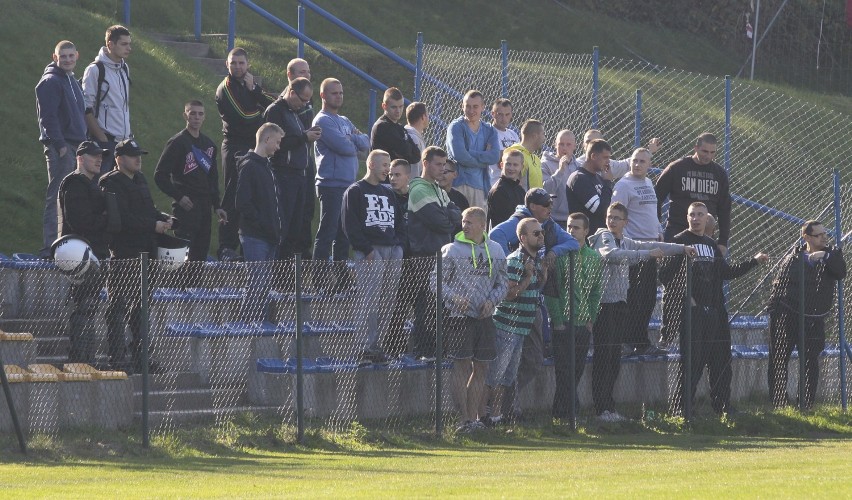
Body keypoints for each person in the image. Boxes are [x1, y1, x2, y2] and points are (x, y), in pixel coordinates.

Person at [588, 202, 694, 422]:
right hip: (603, 305)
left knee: (613, 359)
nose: (612, 221)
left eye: (617, 218)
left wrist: (681, 249)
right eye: (610, 217)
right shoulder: (603, 237)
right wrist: (647, 255)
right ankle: (600, 409)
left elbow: (657, 247)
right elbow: (611, 255)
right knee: (603, 357)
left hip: (619, 305)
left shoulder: (627, 241)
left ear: (626, 222)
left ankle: (609, 407)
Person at [659, 202, 767, 416]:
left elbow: (726, 272)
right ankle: (682, 411)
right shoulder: (679, 241)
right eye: (692, 214)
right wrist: (688, 298)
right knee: (693, 363)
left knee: (721, 360)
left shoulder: (710, 244)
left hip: (716, 310)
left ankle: (723, 407)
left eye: (700, 215)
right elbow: (665, 276)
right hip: (692, 313)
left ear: (707, 218)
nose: (696, 218)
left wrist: (753, 262)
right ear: (687, 217)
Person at [490, 188, 579, 419]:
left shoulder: (546, 227)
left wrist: (551, 253)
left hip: (531, 310)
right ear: (532, 207)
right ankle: (495, 413)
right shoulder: (516, 228)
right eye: (545, 204)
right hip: (510, 318)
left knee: (532, 361)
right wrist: (517, 263)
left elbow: (572, 243)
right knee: (500, 370)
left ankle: (508, 406)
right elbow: (494, 239)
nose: (550, 208)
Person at [99, 139, 173, 373]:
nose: (138, 159)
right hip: (124, 253)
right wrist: (154, 225)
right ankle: (118, 358)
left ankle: (142, 358)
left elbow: (148, 210)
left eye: (139, 154)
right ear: (118, 159)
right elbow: (122, 219)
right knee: (118, 307)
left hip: (146, 252)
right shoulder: (110, 182)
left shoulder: (140, 179)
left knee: (142, 309)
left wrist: (163, 219)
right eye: (132, 155)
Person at [437, 207, 508, 432]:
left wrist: (492, 301)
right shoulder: (450, 250)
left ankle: (474, 419)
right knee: (461, 367)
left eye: (469, 222)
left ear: (481, 225)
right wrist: (454, 298)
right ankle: (463, 420)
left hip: (485, 318)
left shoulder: (496, 250)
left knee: (482, 369)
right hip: (459, 317)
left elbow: (503, 283)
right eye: (463, 222)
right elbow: (435, 282)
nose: (464, 226)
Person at [767, 220, 846, 409]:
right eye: (819, 235)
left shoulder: (832, 254)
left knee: (810, 362)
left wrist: (824, 257)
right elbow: (782, 284)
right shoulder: (793, 258)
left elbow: (840, 271)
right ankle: (779, 403)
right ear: (807, 237)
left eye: (825, 234)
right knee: (778, 359)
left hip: (814, 319)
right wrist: (809, 260)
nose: (824, 238)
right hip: (787, 316)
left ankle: (805, 403)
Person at [342, 150, 404, 365]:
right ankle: (363, 348)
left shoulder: (388, 193)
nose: (388, 169)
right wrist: (367, 250)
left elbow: (398, 223)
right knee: (369, 301)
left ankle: (377, 347)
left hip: (391, 251)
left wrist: (398, 248)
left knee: (387, 301)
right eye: (384, 165)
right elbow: (350, 224)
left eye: (389, 164)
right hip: (370, 252)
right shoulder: (355, 191)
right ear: (371, 165)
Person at [215, 48, 276, 261]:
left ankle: (245, 245)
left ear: (248, 65)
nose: (238, 67)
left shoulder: (249, 86)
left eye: (241, 63)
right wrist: (262, 115)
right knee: (233, 194)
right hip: (234, 147)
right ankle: (226, 246)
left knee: (252, 196)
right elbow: (245, 116)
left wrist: (256, 91)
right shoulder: (225, 88)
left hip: (252, 148)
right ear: (227, 65)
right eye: (234, 63)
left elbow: (273, 106)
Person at [484, 218, 546, 425]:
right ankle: (481, 417)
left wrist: (541, 275)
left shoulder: (535, 260)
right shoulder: (516, 261)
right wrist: (528, 278)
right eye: (535, 233)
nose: (541, 236)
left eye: (541, 232)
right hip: (507, 326)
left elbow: (534, 288)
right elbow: (509, 294)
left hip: (520, 327)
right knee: (495, 376)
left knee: (507, 377)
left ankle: (497, 416)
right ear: (523, 238)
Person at [313, 78, 370, 291]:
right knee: (327, 232)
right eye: (334, 93)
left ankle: (342, 279)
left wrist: (353, 140)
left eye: (341, 92)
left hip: (348, 185)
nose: (339, 96)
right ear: (323, 96)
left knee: (343, 234)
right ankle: (319, 280)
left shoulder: (344, 120)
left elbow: (366, 143)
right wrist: (353, 141)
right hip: (331, 184)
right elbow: (345, 148)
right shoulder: (323, 120)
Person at [57, 141, 112, 364]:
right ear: (80, 158)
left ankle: (86, 357)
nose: (99, 159)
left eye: (100, 156)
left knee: (89, 306)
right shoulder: (75, 184)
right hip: (81, 254)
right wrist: (108, 218)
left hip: (91, 253)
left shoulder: (90, 184)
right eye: (93, 156)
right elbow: (80, 222)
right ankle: (82, 358)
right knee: (85, 306)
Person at [407, 146, 462, 360]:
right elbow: (441, 222)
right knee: (426, 303)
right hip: (425, 256)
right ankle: (424, 350)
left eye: (445, 165)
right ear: (425, 164)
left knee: (439, 303)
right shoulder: (419, 189)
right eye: (438, 165)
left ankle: (436, 349)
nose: (443, 169)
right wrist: (448, 217)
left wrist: (448, 216)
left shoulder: (438, 190)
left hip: (440, 255)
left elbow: (457, 216)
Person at [154, 100, 226, 262]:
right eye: (192, 113)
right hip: (186, 206)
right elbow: (160, 175)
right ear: (185, 115)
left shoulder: (209, 145)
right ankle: (180, 287)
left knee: (200, 253)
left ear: (205, 117)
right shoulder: (177, 142)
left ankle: (195, 287)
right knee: (182, 255)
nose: (196, 117)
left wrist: (217, 205)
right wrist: (179, 197)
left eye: (200, 114)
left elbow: (212, 178)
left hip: (205, 206)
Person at [612, 148, 666, 356]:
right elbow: (615, 214)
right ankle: (626, 341)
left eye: (642, 161)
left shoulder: (649, 183)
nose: (637, 164)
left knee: (648, 298)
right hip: (635, 248)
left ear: (649, 165)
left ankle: (641, 341)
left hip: (651, 247)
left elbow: (652, 212)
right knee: (633, 297)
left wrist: (659, 230)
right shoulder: (624, 185)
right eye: (634, 160)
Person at [36, 40, 88, 256]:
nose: (67, 59)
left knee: (70, 199)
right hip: (62, 146)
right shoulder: (50, 81)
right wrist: (60, 146)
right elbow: (47, 117)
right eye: (62, 56)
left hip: (76, 144)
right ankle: (50, 247)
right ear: (55, 57)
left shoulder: (72, 81)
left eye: (70, 55)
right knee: (56, 196)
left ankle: (67, 247)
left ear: (77, 55)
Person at [550, 213, 602, 420]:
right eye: (569, 227)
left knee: (576, 371)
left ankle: (562, 414)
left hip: (583, 323)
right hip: (563, 322)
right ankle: (568, 413)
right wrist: (557, 320)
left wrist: (591, 318)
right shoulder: (561, 255)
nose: (571, 231)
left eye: (576, 228)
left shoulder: (594, 257)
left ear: (586, 231)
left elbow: (596, 291)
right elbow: (552, 290)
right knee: (564, 371)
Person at [263, 77, 322, 258]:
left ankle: (286, 275)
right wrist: (304, 137)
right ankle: (276, 274)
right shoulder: (275, 111)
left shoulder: (296, 112)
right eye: (303, 99)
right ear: (291, 92)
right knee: (284, 225)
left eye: (308, 100)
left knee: (296, 227)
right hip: (283, 174)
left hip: (299, 174)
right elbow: (275, 144)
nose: (305, 104)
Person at [235, 123, 285, 322]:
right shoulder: (250, 167)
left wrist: (277, 229)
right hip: (255, 236)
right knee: (257, 282)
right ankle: (248, 327)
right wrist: (263, 225)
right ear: (267, 140)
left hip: (269, 235)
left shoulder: (268, 168)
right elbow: (243, 203)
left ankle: (257, 327)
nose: (278, 147)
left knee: (263, 285)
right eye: (277, 142)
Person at [655, 132, 731, 254]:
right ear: (695, 148)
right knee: (670, 269)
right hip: (677, 229)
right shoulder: (677, 168)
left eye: (713, 153)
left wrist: (722, 242)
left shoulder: (719, 174)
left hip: (705, 233)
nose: (708, 156)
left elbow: (725, 209)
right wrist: (656, 228)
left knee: (704, 271)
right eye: (705, 151)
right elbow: (656, 197)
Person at [82, 25, 133, 174]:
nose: (129, 48)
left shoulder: (124, 68)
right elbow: (86, 108)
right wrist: (102, 139)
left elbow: (123, 106)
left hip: (123, 141)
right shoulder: (95, 70)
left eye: (129, 44)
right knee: (100, 186)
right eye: (124, 44)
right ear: (110, 44)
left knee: (119, 189)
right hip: (105, 141)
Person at [445, 90, 500, 210]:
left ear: (483, 107)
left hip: (481, 187)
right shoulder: (456, 127)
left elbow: (495, 156)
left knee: (478, 226)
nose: (471, 111)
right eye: (468, 106)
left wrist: (469, 151)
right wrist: (483, 159)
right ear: (462, 106)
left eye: (475, 107)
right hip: (458, 184)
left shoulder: (489, 130)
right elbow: (460, 156)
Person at [287, 57, 317, 260]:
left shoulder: (308, 101)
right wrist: (304, 136)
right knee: (291, 210)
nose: (305, 76)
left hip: (306, 161)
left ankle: (303, 248)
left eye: (307, 72)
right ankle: (289, 251)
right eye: (301, 72)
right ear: (290, 76)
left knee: (307, 207)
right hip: (289, 167)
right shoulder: (282, 106)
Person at [385, 159, 415, 356]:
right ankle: (390, 344)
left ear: (407, 176)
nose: (393, 179)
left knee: (408, 303)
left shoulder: (416, 197)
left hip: (414, 257)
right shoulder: (385, 196)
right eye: (390, 175)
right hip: (391, 257)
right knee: (392, 303)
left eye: (397, 174)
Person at [567, 139, 613, 234]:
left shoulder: (599, 178)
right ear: (593, 156)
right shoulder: (579, 179)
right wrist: (608, 182)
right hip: (585, 240)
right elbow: (600, 210)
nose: (608, 162)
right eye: (605, 157)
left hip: (599, 237)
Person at [574, 129, 661, 180]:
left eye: (596, 141)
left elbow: (627, 164)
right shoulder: (575, 164)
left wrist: (649, 151)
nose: (592, 145)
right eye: (588, 141)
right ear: (583, 145)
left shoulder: (608, 164)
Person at [370, 87, 420, 164]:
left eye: (401, 106)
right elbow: (405, 151)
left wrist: (405, 149)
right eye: (394, 107)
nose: (398, 111)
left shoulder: (400, 127)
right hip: (385, 174)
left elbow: (416, 156)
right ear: (384, 106)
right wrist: (407, 145)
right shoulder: (382, 126)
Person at [541, 129, 579, 227]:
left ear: (575, 146)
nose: (564, 148)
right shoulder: (545, 165)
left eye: (568, 144)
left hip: (574, 219)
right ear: (555, 145)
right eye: (561, 144)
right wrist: (560, 171)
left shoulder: (578, 167)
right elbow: (545, 189)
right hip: (552, 219)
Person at [487, 149, 525, 230]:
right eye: (508, 164)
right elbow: (503, 222)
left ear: (522, 167)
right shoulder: (499, 191)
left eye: (515, 165)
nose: (511, 168)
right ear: (501, 165)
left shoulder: (520, 190)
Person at [487, 98, 520, 186]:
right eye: (500, 114)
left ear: (511, 115)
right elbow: (498, 160)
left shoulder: (513, 134)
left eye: (507, 114)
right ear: (493, 114)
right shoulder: (488, 132)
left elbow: (521, 159)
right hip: (495, 184)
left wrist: (501, 153)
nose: (504, 118)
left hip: (513, 185)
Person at [504, 119, 546, 190]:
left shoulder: (536, 159)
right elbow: (510, 185)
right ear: (535, 136)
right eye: (543, 134)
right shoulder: (516, 156)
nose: (544, 138)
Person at [438, 158, 469, 236]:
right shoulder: (429, 195)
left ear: (455, 174)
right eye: (439, 172)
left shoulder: (460, 198)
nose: (440, 176)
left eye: (444, 172)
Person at [404, 101, 429, 174]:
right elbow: (415, 168)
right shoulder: (413, 139)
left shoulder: (412, 135)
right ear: (423, 117)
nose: (428, 118)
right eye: (427, 115)